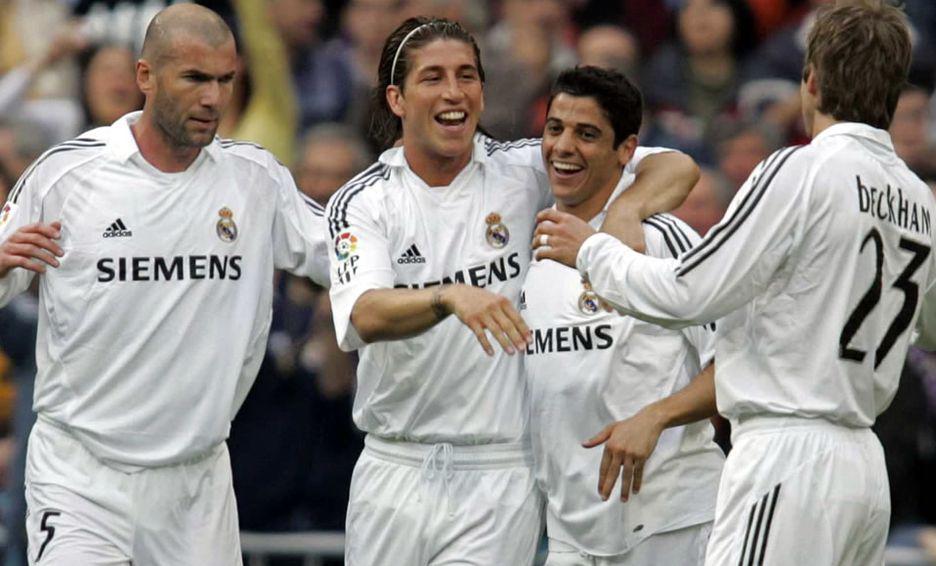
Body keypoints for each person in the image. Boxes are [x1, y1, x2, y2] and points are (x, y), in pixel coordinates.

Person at [533, 1, 936, 564]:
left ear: (810, 80)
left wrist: (593, 251)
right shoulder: (919, 198)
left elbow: (690, 293)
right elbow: (926, 331)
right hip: (864, 469)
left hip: (787, 453)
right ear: (894, 92)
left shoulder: (799, 168)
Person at [326, 16, 698, 566]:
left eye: (467, 75)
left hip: (499, 471)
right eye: (433, 77)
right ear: (396, 99)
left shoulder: (524, 168)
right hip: (393, 464)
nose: (454, 92)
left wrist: (627, 210)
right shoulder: (364, 200)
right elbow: (364, 315)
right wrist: (449, 296)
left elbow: (675, 165)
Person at [0, 4, 329, 564]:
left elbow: (350, 259)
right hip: (80, 476)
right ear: (145, 76)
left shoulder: (255, 181)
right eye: (195, 78)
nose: (213, 98)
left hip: (195, 485)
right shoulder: (67, 175)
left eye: (225, 80)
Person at [522, 65, 725, 565]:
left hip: (671, 521)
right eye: (555, 129)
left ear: (627, 150)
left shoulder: (660, 238)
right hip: (570, 528)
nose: (563, 147)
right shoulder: (532, 235)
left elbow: (740, 363)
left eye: (587, 134)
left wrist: (656, 417)